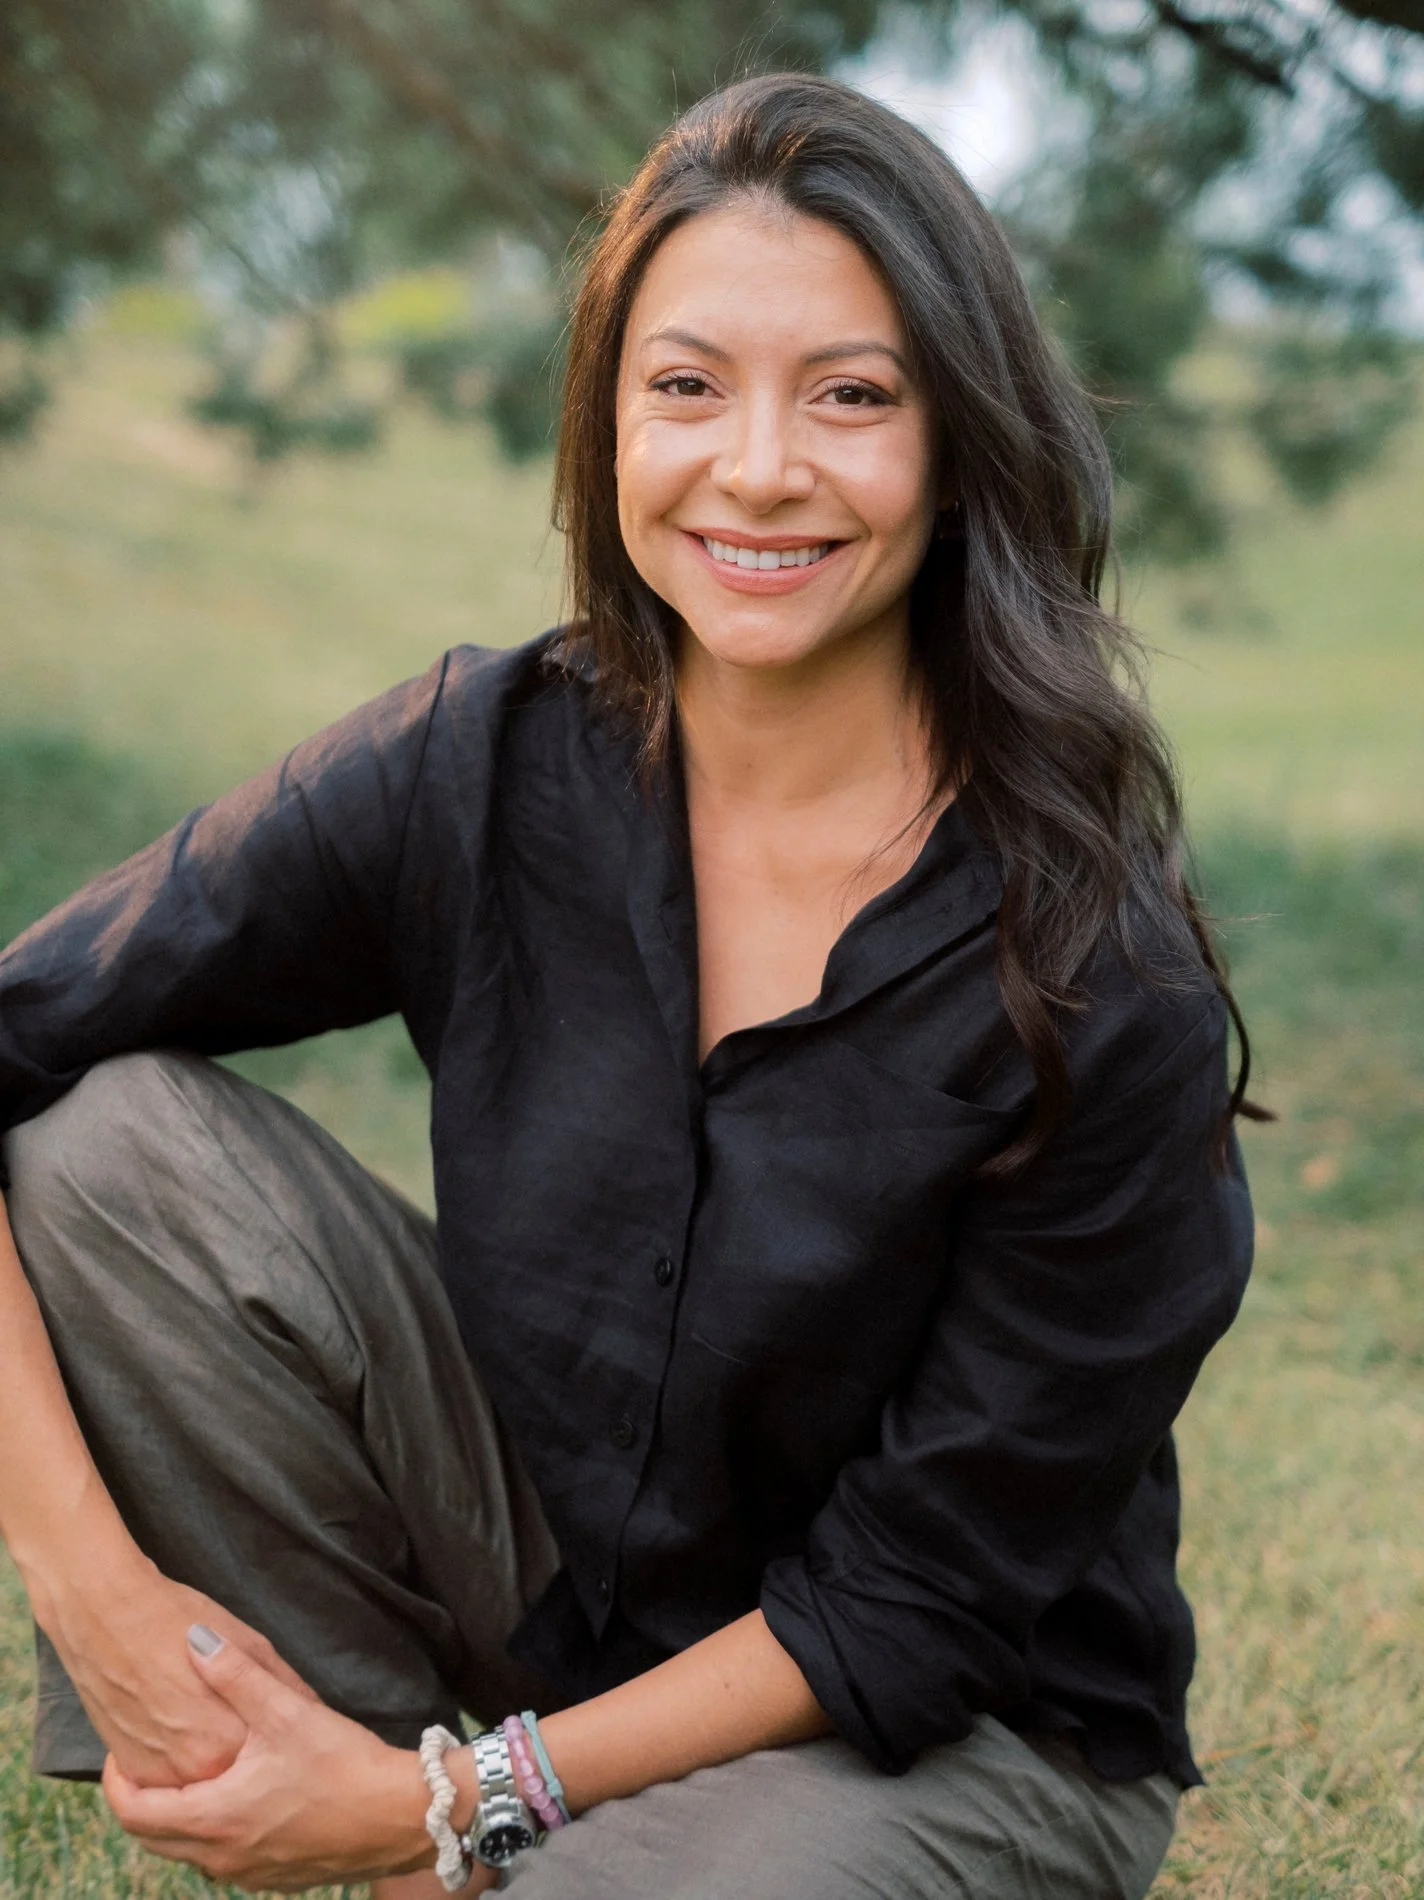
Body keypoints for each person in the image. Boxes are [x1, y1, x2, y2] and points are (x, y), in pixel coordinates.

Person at [0, 71, 1258, 1900]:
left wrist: (455, 1802)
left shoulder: (1097, 970)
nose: (758, 468)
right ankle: (413, 1825)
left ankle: (457, 1842)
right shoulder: (482, 762)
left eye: (851, 395)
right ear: (606, 423)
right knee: (108, 1147)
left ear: (960, 439)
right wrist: (97, 1595)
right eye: (687, 387)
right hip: (569, 1600)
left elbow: (912, 1604)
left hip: (948, 1730)